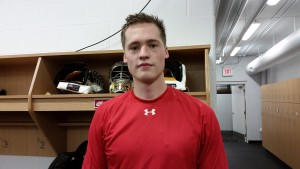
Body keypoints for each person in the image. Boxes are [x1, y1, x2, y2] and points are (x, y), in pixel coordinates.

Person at [82, 12, 228, 169]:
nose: (144, 54)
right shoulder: (104, 115)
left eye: (152, 45)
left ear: (165, 52)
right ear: (125, 56)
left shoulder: (203, 115)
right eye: (134, 47)